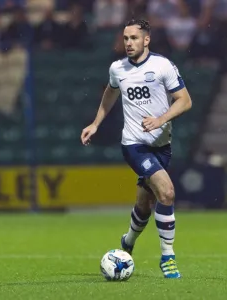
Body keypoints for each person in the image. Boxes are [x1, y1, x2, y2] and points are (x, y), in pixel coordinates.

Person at [80, 19, 192, 279]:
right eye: (125, 38)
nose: (128, 43)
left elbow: (185, 101)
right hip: (134, 145)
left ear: (146, 40)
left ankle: (128, 240)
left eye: (133, 38)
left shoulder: (162, 66)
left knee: (145, 202)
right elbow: (110, 93)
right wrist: (96, 123)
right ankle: (168, 257)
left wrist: (161, 119)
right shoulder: (117, 69)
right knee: (167, 192)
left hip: (162, 147)